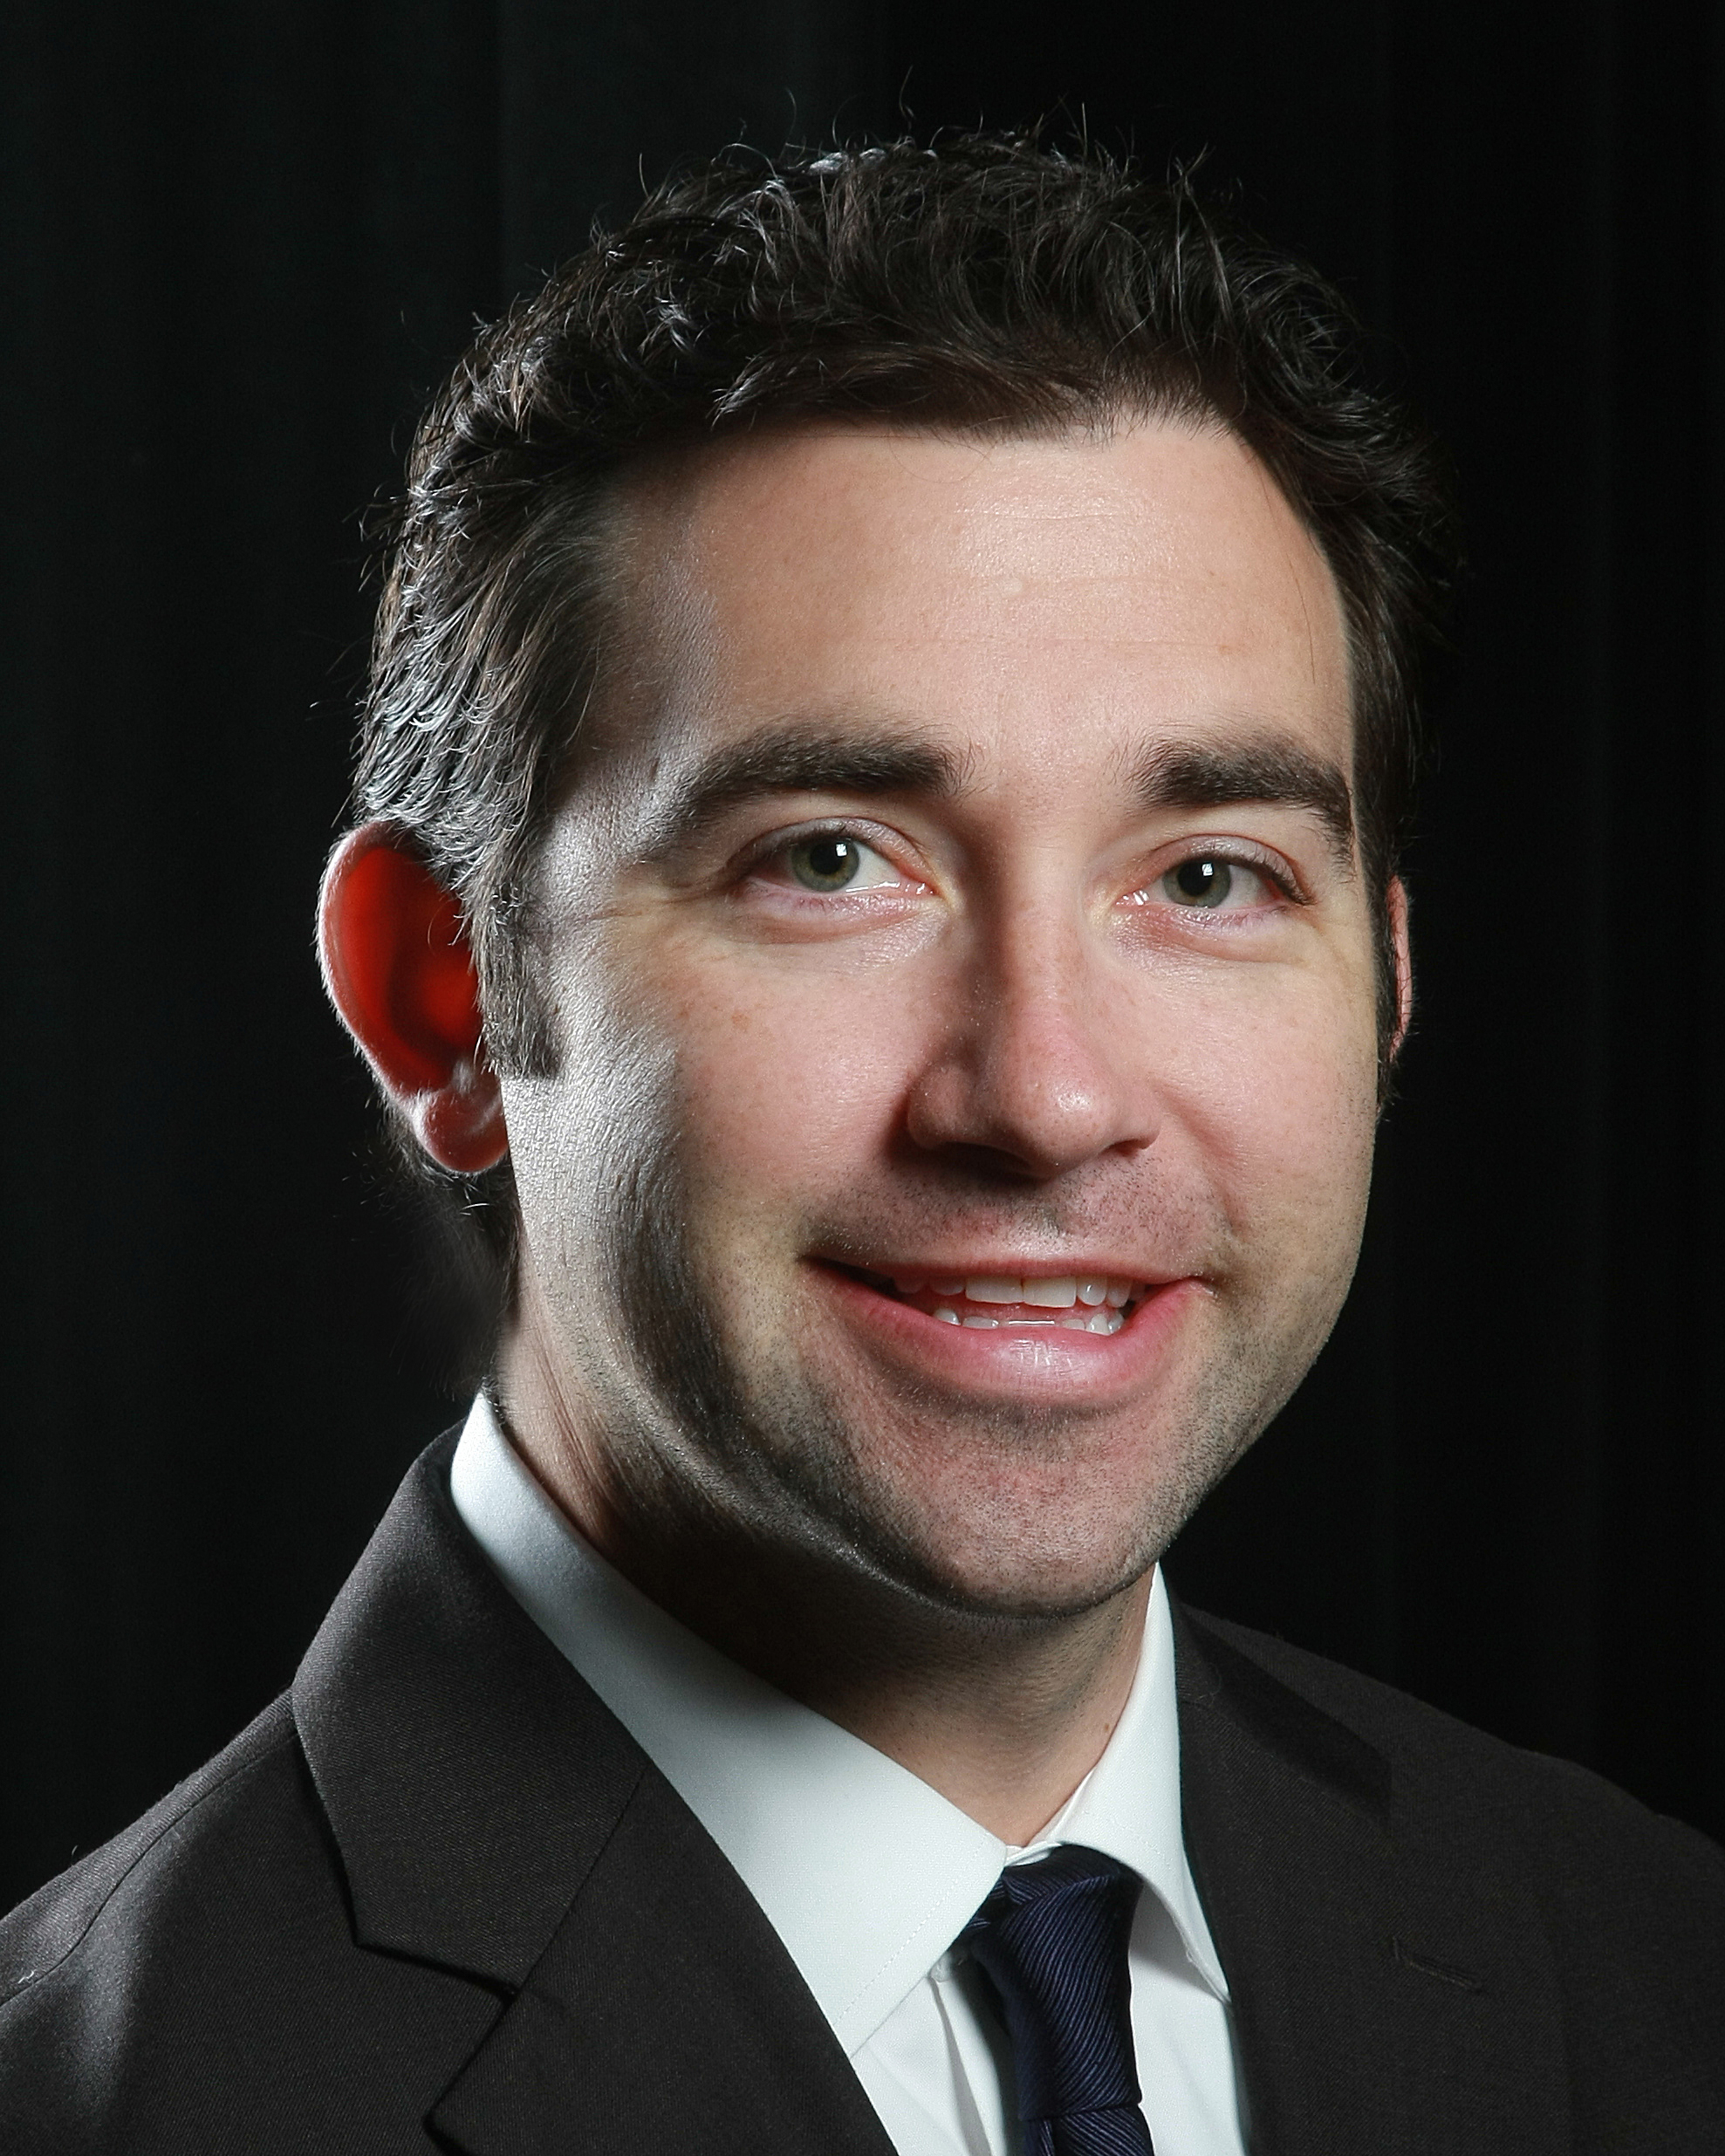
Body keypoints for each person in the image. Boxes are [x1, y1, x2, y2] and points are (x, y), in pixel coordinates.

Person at [2, 134, 1719, 2156]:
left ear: (1385, 984)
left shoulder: (1644, 1974)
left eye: (1207, 877)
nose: (1046, 1098)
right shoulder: (102, 2104)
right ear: (439, 995)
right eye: (828, 861)